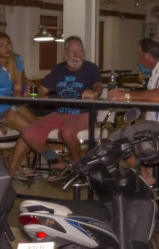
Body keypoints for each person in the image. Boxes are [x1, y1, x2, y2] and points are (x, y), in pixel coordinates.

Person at [11, 36, 102, 182]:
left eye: (79, 51)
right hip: (60, 113)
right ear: (64, 53)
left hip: (83, 113)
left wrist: (94, 92)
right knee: (28, 133)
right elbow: (42, 91)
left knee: (67, 131)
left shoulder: (91, 68)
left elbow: (98, 85)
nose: (76, 55)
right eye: (72, 51)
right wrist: (32, 92)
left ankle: (78, 167)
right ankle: (58, 163)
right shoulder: (58, 69)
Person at [109, 37, 159, 185]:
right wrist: (128, 94)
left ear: (147, 56)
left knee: (113, 140)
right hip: (158, 125)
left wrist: (126, 96)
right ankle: (147, 178)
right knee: (134, 134)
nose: (139, 58)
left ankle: (144, 176)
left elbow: (156, 96)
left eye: (139, 54)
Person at [0, 33, 37, 175]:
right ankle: (13, 167)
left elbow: (17, 88)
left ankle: (14, 165)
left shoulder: (17, 60)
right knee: (30, 130)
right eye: (1, 45)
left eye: (8, 44)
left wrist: (16, 106)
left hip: (12, 102)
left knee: (37, 128)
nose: (6, 48)